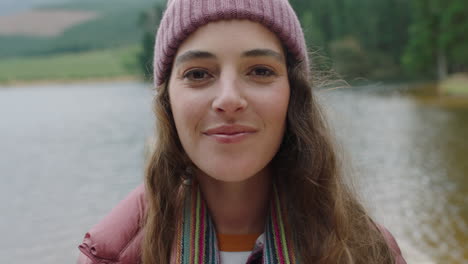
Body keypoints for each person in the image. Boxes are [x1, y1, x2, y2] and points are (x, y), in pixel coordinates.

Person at [77, 0, 407, 263]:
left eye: (261, 70)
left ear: (295, 95)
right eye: (198, 74)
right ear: (167, 102)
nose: (229, 99)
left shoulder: (369, 251)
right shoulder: (111, 256)